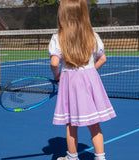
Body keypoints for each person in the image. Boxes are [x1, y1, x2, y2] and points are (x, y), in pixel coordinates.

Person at [49, 0, 116, 159]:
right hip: (90, 82)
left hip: (71, 84)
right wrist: (90, 72)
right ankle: (100, 157)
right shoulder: (94, 36)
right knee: (94, 124)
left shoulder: (58, 37)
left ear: (62, 14)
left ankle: (72, 157)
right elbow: (103, 59)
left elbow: (54, 62)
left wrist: (57, 76)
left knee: (71, 124)